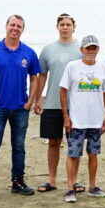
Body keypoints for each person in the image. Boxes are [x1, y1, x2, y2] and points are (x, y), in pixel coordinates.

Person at [0, 15, 42, 199]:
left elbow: (35, 77)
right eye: (12, 25)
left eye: (19, 26)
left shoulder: (28, 53)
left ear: (23, 29)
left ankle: (18, 182)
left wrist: (30, 102)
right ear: (6, 26)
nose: (15, 28)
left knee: (19, 147)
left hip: (20, 108)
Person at [59, 35, 105, 203]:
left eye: (94, 48)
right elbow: (63, 91)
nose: (91, 51)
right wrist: (66, 116)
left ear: (98, 49)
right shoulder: (72, 67)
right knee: (73, 154)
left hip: (96, 119)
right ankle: (70, 188)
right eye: (88, 48)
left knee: (93, 154)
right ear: (81, 50)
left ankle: (92, 186)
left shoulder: (103, 68)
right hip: (77, 119)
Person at [34, 13, 83, 193]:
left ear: (73, 27)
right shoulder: (48, 50)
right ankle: (52, 180)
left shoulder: (80, 49)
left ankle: (74, 181)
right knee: (53, 142)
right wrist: (38, 98)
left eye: (68, 24)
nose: (65, 27)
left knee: (74, 144)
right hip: (52, 104)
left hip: (75, 105)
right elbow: (42, 76)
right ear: (57, 27)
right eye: (62, 24)